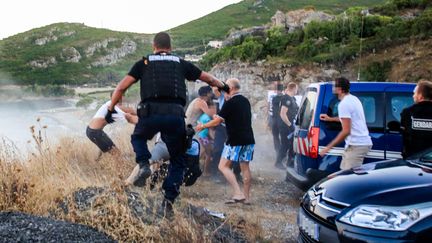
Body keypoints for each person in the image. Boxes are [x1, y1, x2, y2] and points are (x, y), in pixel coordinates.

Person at [106, 32, 229, 215]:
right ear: (170, 47)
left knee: (138, 137)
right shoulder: (181, 63)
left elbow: (121, 87)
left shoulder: (144, 63)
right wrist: (224, 86)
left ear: (154, 46)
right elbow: (210, 79)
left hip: (150, 113)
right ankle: (168, 201)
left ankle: (144, 164)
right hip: (175, 116)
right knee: (178, 161)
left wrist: (110, 109)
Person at [196, 78, 255, 205]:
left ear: (232, 88)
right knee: (245, 168)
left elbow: (218, 121)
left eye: (226, 88)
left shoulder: (231, 102)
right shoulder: (245, 101)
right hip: (249, 139)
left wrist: (203, 126)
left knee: (223, 166)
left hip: (235, 140)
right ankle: (247, 197)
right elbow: (232, 117)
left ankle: (238, 194)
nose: (224, 91)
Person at [319, 77, 372, 170]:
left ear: (339, 90)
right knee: (343, 175)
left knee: (350, 180)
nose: (332, 88)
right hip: (355, 145)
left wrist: (328, 148)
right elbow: (348, 119)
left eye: (334, 86)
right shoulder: (353, 99)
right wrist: (330, 119)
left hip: (357, 145)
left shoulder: (344, 104)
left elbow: (346, 131)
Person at [86, 93, 135, 159]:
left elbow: (128, 111)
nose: (122, 98)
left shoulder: (110, 104)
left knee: (107, 146)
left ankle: (97, 161)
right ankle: (120, 165)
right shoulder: (113, 107)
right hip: (95, 132)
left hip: (93, 131)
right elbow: (130, 116)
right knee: (116, 153)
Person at [400, 79, 432, 159]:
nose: (413, 96)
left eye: (415, 93)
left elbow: (404, 136)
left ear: (420, 96)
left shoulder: (407, 112)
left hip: (413, 159)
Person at [279, 82, 299, 167]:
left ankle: (289, 163)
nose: (297, 90)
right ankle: (278, 162)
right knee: (285, 145)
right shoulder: (286, 98)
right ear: (294, 89)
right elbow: (283, 114)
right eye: (297, 89)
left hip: (290, 125)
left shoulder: (292, 99)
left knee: (291, 145)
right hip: (285, 126)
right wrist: (290, 125)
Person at [197, 102, 216, 176]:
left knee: (203, 152)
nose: (215, 111)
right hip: (204, 137)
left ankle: (197, 166)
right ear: (209, 109)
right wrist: (213, 139)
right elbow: (209, 132)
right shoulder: (208, 118)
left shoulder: (203, 116)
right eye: (213, 109)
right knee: (209, 154)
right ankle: (206, 171)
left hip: (201, 136)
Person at [270, 83, 285, 168]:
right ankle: (280, 154)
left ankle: (278, 152)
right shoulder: (284, 98)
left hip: (275, 120)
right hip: (280, 120)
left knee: (276, 138)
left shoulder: (274, 98)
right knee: (281, 139)